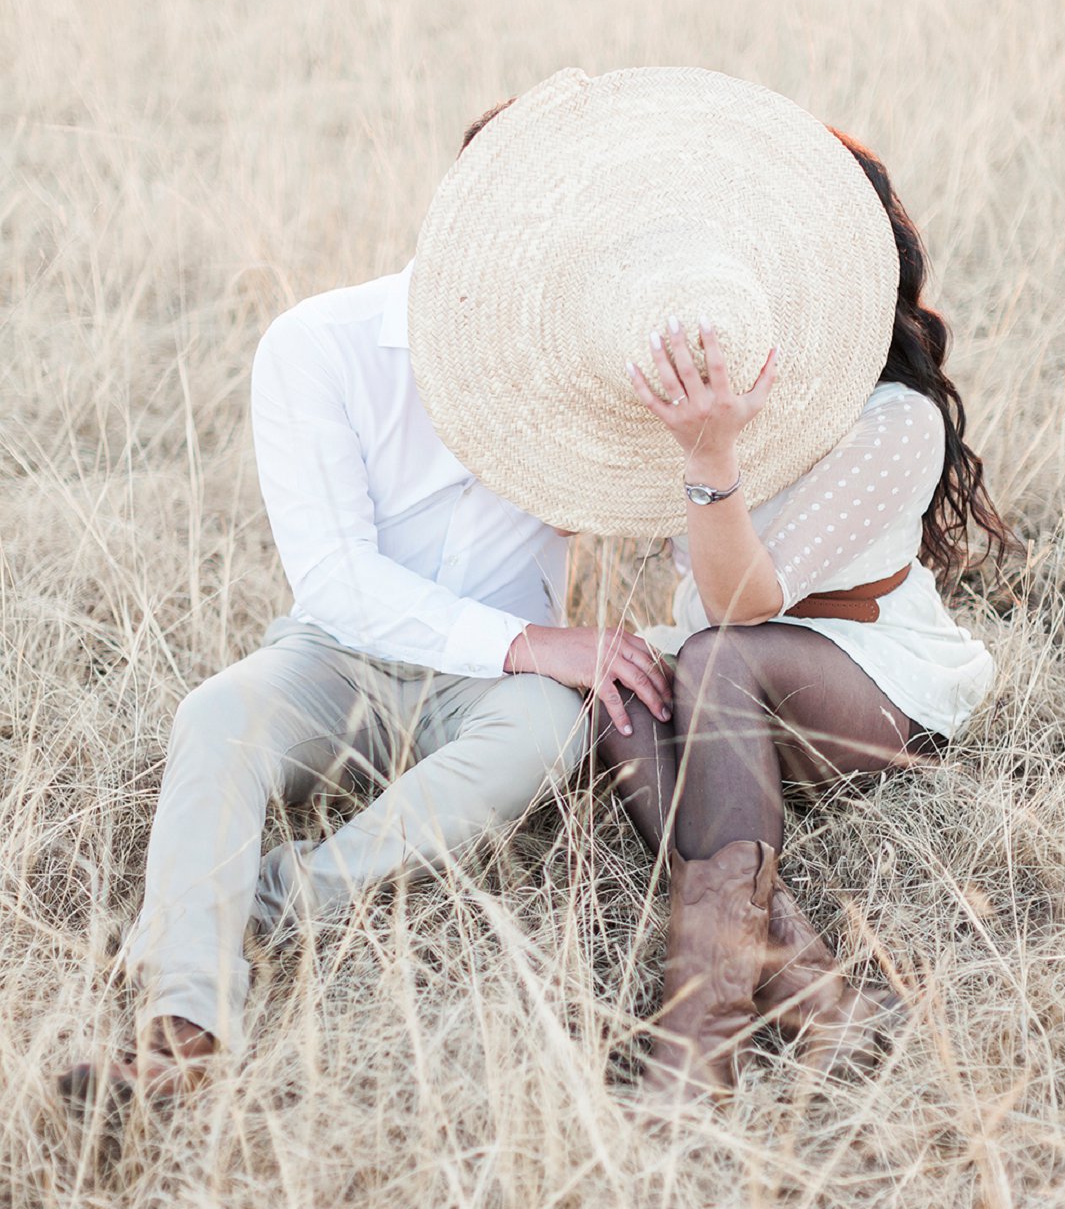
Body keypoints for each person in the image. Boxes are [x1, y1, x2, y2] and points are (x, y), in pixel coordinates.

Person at [57, 104, 673, 1115]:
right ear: (457, 207)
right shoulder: (320, 345)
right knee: (216, 717)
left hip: (496, 688)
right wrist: (532, 637)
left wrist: (699, 438)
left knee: (543, 741)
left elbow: (676, 529)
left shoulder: (590, 368)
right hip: (337, 653)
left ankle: (267, 902)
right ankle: (181, 1030)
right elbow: (338, 580)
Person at [600, 130, 1015, 1107]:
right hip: (731, 651)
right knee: (617, 694)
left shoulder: (895, 419)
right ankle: (819, 992)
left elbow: (740, 606)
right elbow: (705, 605)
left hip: (868, 675)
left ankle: (699, 1043)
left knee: (715, 661)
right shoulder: (721, 389)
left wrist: (709, 462)